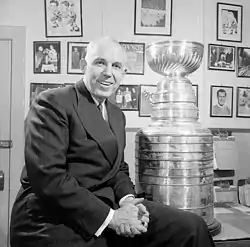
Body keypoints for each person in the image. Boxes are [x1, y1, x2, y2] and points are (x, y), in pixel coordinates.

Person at [10, 37, 215, 247]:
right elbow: (50, 179)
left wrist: (128, 201)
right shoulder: (52, 102)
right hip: (52, 216)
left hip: (108, 204)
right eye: (100, 63)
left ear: (123, 74)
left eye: (116, 66)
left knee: (192, 227)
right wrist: (113, 218)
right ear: (84, 66)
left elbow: (117, 168)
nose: (108, 72)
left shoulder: (116, 115)